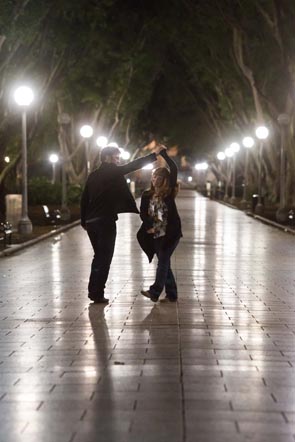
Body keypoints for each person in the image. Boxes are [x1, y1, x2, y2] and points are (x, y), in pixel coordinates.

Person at [80, 144, 163, 304]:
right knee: (104, 257)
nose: (118, 161)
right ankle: (96, 293)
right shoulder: (110, 171)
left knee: (99, 256)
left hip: (91, 222)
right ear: (106, 158)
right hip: (105, 221)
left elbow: (84, 199)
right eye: (116, 158)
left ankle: (94, 291)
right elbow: (133, 166)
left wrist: (84, 220)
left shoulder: (92, 176)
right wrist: (154, 155)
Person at [137, 146, 182, 302]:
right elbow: (143, 213)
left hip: (170, 233)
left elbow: (174, 168)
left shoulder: (168, 192)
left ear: (164, 180)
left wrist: (164, 155)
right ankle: (172, 294)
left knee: (162, 260)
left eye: (157, 177)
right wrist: (149, 226)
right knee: (165, 264)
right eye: (153, 176)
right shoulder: (147, 195)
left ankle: (155, 292)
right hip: (155, 233)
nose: (154, 179)